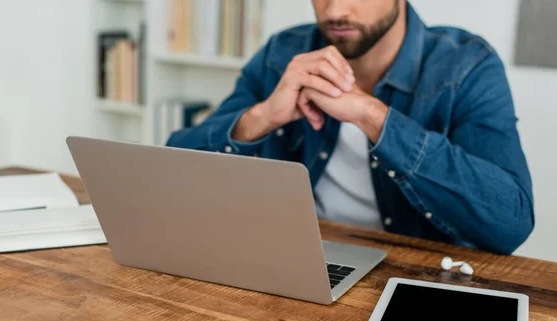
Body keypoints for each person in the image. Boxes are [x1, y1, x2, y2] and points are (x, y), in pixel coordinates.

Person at [167, 0, 534, 255]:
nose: (334, 12)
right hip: (295, 262)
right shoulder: (283, 53)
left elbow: (510, 222)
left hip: (417, 281)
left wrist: (373, 117)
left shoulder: (467, 66)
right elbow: (173, 172)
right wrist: (262, 117)